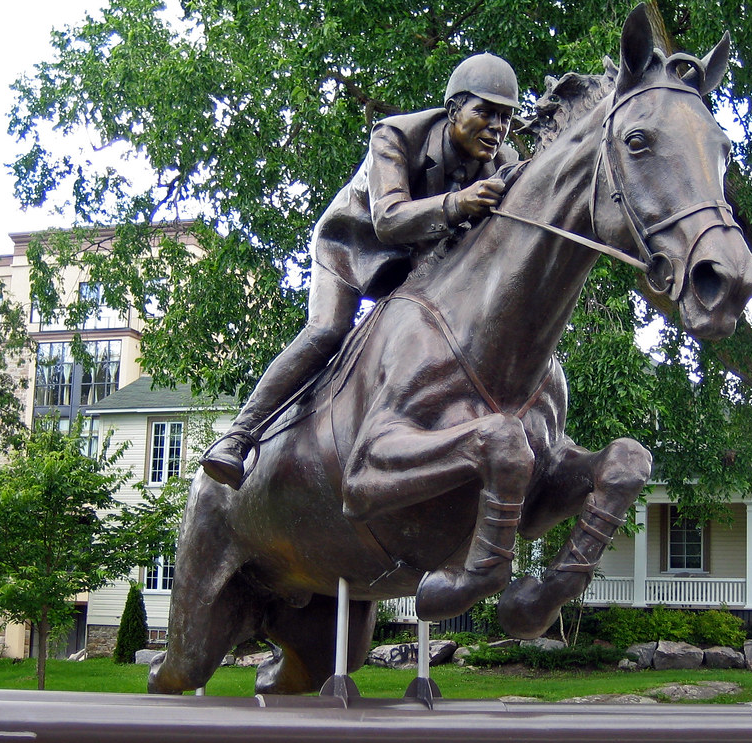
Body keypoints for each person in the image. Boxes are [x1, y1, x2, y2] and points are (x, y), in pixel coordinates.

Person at [202, 53, 521, 489]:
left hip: (422, 262)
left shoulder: (503, 159)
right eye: (484, 112)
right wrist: (458, 203)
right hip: (354, 248)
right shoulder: (394, 136)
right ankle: (238, 436)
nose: (496, 128)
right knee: (328, 331)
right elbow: (388, 220)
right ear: (452, 111)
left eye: (505, 117)